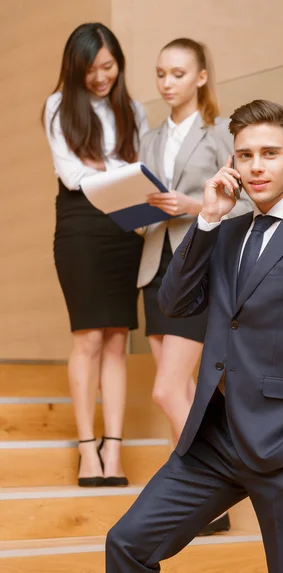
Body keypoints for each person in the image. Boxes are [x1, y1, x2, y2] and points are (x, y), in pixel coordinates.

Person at [105, 99, 283, 573]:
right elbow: (175, 303)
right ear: (233, 163)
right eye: (245, 155)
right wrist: (205, 219)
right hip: (216, 441)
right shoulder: (224, 233)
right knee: (128, 543)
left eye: (270, 153)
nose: (256, 165)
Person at [138, 38, 252, 534]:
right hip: (153, 266)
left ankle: (212, 491)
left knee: (168, 390)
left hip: (198, 267)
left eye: (178, 74)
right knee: (180, 388)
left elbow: (247, 206)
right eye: (162, 73)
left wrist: (191, 206)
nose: (167, 83)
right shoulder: (148, 137)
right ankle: (198, 503)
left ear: (201, 77)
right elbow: (145, 207)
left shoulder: (221, 135)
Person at [43, 23, 148, 487]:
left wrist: (104, 169)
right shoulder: (58, 105)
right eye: (91, 69)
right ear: (75, 69)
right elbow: (70, 176)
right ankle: (88, 450)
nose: (102, 76)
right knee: (87, 337)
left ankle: (114, 448)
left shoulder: (134, 111)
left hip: (126, 224)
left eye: (109, 66)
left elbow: (142, 170)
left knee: (116, 342)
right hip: (82, 225)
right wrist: (117, 170)